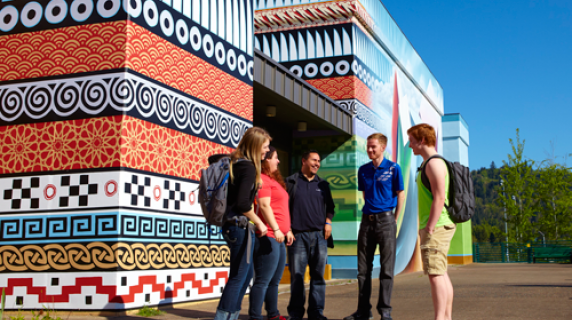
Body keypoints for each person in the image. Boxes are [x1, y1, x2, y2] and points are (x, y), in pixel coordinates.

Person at [345, 133, 404, 320]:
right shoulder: (363, 170)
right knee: (363, 270)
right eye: (368, 146)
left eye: (373, 147)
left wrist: (394, 218)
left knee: (387, 269)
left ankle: (385, 310)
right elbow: (365, 195)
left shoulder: (394, 169)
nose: (369, 150)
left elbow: (400, 194)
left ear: (383, 148)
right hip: (366, 222)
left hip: (386, 221)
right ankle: (363, 311)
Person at [214, 127, 271, 320]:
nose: (267, 151)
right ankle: (223, 318)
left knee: (244, 277)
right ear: (255, 147)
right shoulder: (247, 167)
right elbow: (243, 204)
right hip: (239, 227)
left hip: (233, 227)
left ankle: (232, 316)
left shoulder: (237, 163)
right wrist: (260, 224)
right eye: (265, 147)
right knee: (239, 277)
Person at [407, 123, 456, 320]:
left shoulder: (434, 164)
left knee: (435, 275)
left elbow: (439, 197)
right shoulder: (430, 163)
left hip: (436, 227)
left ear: (422, 140)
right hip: (439, 226)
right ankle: (445, 317)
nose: (410, 145)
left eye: (412, 141)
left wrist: (429, 227)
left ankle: (439, 318)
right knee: (441, 273)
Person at [285, 150, 335, 320]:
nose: (317, 164)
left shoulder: (323, 185)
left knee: (318, 277)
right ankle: (296, 313)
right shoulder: (291, 182)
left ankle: (316, 313)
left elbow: (331, 208)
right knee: (297, 277)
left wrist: (328, 222)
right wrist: (287, 230)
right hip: (297, 236)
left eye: (319, 161)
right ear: (304, 161)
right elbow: (283, 209)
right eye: (314, 160)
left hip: (320, 237)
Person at [249, 146, 294, 320]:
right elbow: (265, 206)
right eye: (275, 157)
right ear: (266, 159)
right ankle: (255, 316)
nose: (278, 161)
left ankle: (273, 314)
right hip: (268, 235)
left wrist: (287, 229)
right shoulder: (262, 179)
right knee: (263, 279)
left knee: (275, 280)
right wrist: (276, 229)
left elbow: (280, 209)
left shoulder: (273, 180)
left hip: (279, 237)